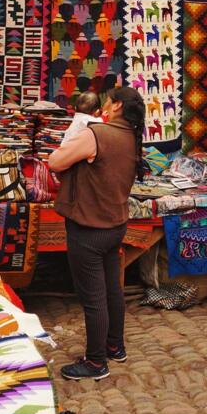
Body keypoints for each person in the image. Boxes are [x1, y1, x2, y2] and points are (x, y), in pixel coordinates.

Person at [48, 86, 147, 380]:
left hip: (89, 227)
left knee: (93, 297)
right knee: (112, 289)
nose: (104, 105)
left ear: (116, 106)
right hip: (114, 224)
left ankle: (95, 362)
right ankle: (115, 346)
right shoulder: (132, 136)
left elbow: (55, 162)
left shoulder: (97, 134)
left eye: (108, 101)